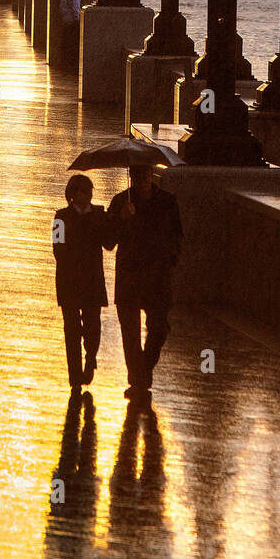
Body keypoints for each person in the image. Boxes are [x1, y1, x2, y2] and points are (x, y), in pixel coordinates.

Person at [105, 165, 182, 401]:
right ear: (132, 176)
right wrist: (121, 218)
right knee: (130, 333)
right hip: (130, 276)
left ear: (152, 175)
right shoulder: (121, 202)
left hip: (157, 276)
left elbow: (177, 235)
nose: (142, 180)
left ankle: (143, 370)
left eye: (146, 175)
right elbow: (108, 241)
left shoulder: (167, 202)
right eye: (138, 176)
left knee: (159, 328)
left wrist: (170, 258)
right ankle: (138, 380)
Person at [52, 174, 109, 392]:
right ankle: (75, 375)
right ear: (73, 195)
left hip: (93, 281)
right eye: (83, 191)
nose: (88, 196)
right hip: (69, 282)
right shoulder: (60, 217)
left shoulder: (99, 215)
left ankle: (90, 357)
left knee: (93, 326)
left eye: (90, 191)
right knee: (72, 330)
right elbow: (57, 249)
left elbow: (109, 242)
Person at [57, 0, 81, 69]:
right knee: (72, 44)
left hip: (66, 20)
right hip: (72, 22)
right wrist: (78, 20)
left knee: (66, 43)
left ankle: (65, 63)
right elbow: (76, 9)